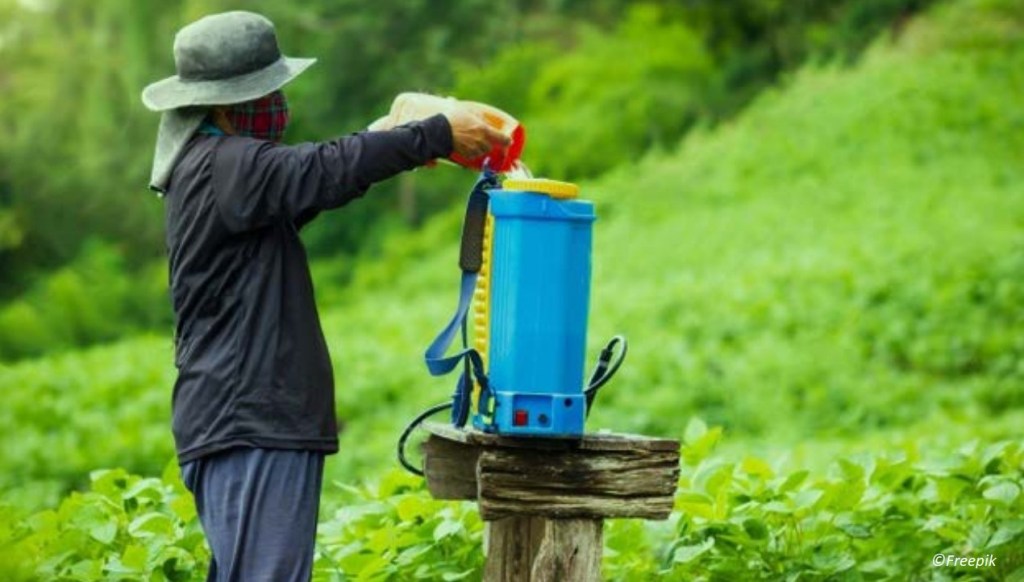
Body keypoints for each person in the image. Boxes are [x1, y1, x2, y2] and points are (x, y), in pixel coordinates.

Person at [140, 11, 509, 582]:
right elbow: (321, 167)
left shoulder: (218, 171)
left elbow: (320, 181)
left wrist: (390, 136)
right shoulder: (226, 165)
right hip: (250, 423)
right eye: (268, 91)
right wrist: (432, 134)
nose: (279, 103)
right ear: (226, 102)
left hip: (238, 423)